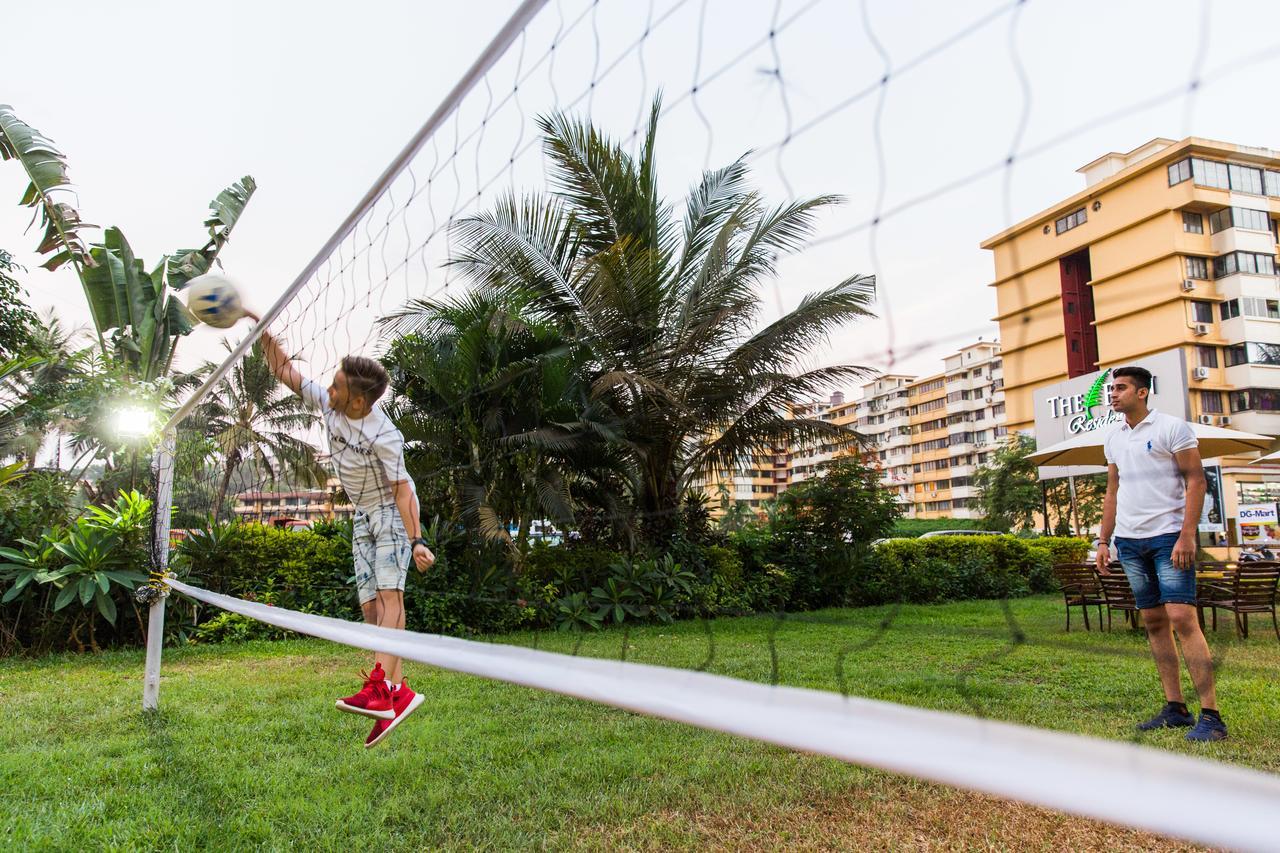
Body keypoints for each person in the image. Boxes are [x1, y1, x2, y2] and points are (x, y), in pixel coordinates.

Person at [243, 311, 436, 748]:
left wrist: (416, 539)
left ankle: (378, 688)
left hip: (389, 511)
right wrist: (261, 328)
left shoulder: (384, 434)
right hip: (362, 515)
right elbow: (285, 371)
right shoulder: (331, 405)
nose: (327, 390)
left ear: (358, 402)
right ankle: (399, 694)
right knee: (371, 613)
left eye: (336, 387)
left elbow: (404, 489)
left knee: (391, 599)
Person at [1095, 366, 1225, 741]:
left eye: (1120, 388)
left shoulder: (1173, 428)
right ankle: (1175, 708)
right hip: (1130, 542)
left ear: (1141, 393)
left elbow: (1196, 480)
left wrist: (1188, 535)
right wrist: (1105, 541)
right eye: (1111, 388)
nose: (1113, 394)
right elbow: (1112, 493)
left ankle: (1212, 716)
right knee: (1153, 621)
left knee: (1183, 617)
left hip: (1169, 537)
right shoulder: (1114, 437)